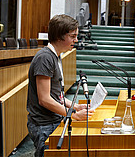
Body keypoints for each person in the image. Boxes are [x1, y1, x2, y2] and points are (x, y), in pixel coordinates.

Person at [27, 14, 95, 157]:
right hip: (44, 125)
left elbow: (57, 96)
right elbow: (44, 99)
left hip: (53, 120)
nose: (76, 40)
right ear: (59, 37)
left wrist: (75, 106)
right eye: (73, 36)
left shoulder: (55, 56)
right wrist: (75, 115)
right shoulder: (45, 58)